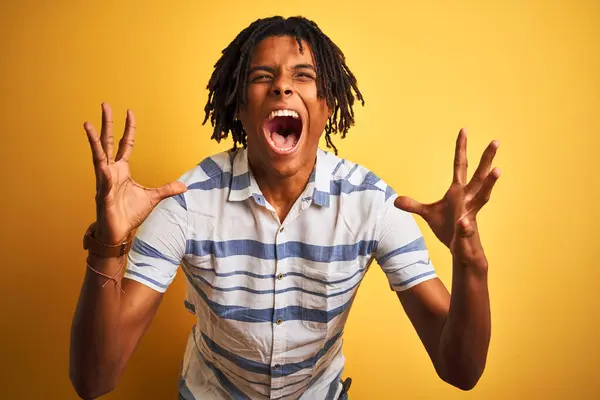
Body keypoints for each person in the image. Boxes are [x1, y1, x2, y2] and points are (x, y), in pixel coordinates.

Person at [69, 15, 500, 400]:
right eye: (263, 76)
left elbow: (460, 371)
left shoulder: (371, 203)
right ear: (240, 108)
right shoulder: (187, 200)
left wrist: (470, 264)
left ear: (327, 105)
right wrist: (108, 243)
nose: (282, 85)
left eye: (303, 75)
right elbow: (94, 381)